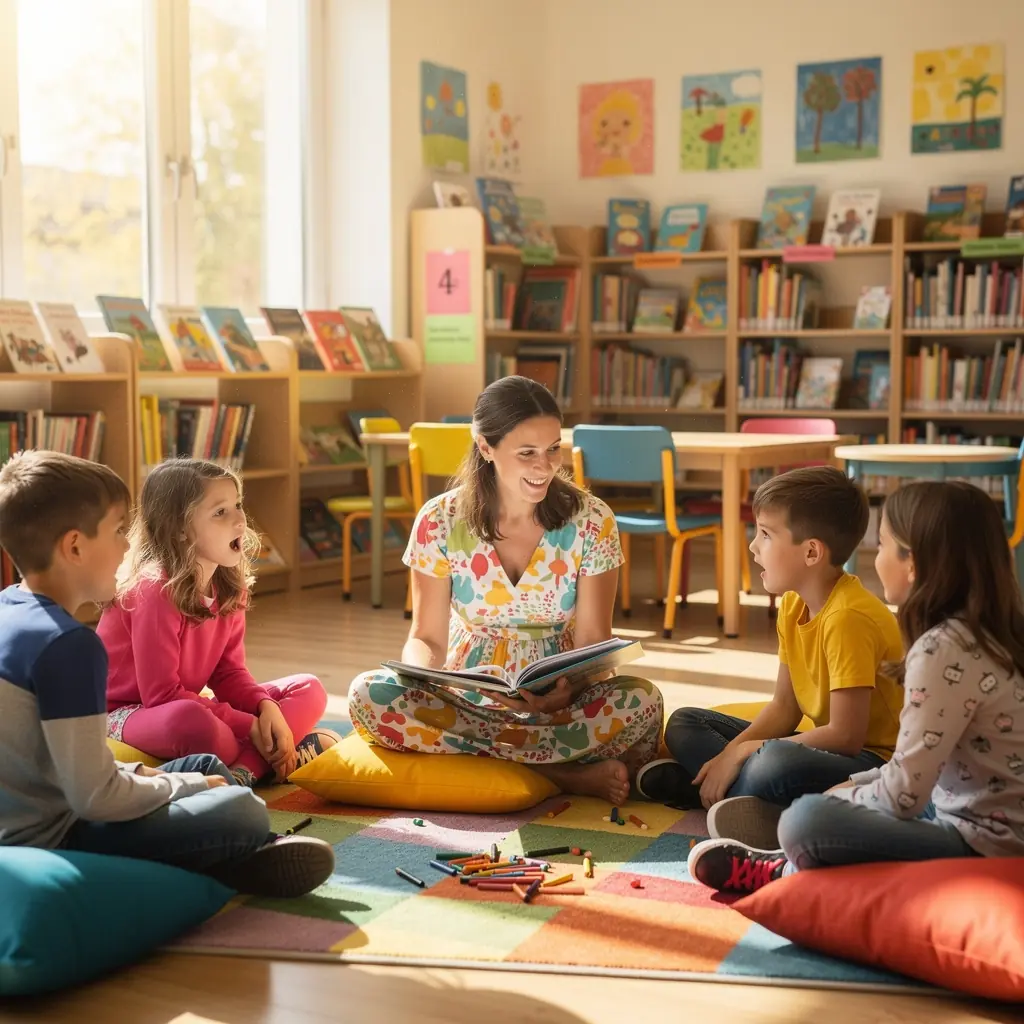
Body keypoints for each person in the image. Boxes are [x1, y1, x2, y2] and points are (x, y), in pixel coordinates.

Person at [0, 450, 333, 897]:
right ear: (75, 546)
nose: (127, 546)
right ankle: (242, 849)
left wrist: (258, 710)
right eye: (118, 531)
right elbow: (93, 796)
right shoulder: (71, 644)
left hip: (56, 807)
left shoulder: (11, 610)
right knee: (241, 811)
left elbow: (69, 768)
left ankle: (237, 831)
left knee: (212, 765)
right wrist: (188, 783)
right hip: (60, 834)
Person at [688, 480, 1024, 893]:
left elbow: (904, 795)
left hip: (978, 842)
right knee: (706, 732)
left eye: (881, 547)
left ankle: (781, 870)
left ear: (913, 564)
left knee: (805, 820)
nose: (873, 559)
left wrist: (841, 796)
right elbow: (919, 766)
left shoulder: (941, 650)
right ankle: (737, 797)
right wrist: (856, 786)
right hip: (952, 807)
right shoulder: (990, 634)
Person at [348, 376, 663, 805]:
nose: (545, 466)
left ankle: (498, 759)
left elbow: (593, 641)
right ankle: (561, 775)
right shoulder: (438, 520)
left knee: (642, 702)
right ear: (485, 447)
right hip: (466, 699)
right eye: (527, 453)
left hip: (560, 698)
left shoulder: (592, 519)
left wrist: (568, 689)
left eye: (553, 448)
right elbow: (425, 638)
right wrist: (422, 675)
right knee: (369, 694)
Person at [637, 466, 904, 849]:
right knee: (684, 722)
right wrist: (730, 753)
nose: (752, 546)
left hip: (870, 762)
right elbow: (784, 708)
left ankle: (712, 791)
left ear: (811, 551)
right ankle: (735, 795)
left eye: (765, 534)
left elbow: (846, 737)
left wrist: (745, 751)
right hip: (822, 747)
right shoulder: (794, 603)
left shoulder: (848, 618)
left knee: (773, 763)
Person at [98, 458, 337, 788]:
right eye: (220, 512)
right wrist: (247, 725)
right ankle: (279, 755)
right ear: (180, 528)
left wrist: (264, 707)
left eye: (237, 505)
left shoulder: (227, 587)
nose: (241, 520)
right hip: (124, 712)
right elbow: (162, 695)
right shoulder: (153, 589)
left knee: (309, 688)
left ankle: (243, 774)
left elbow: (229, 674)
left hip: (179, 702)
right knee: (204, 728)